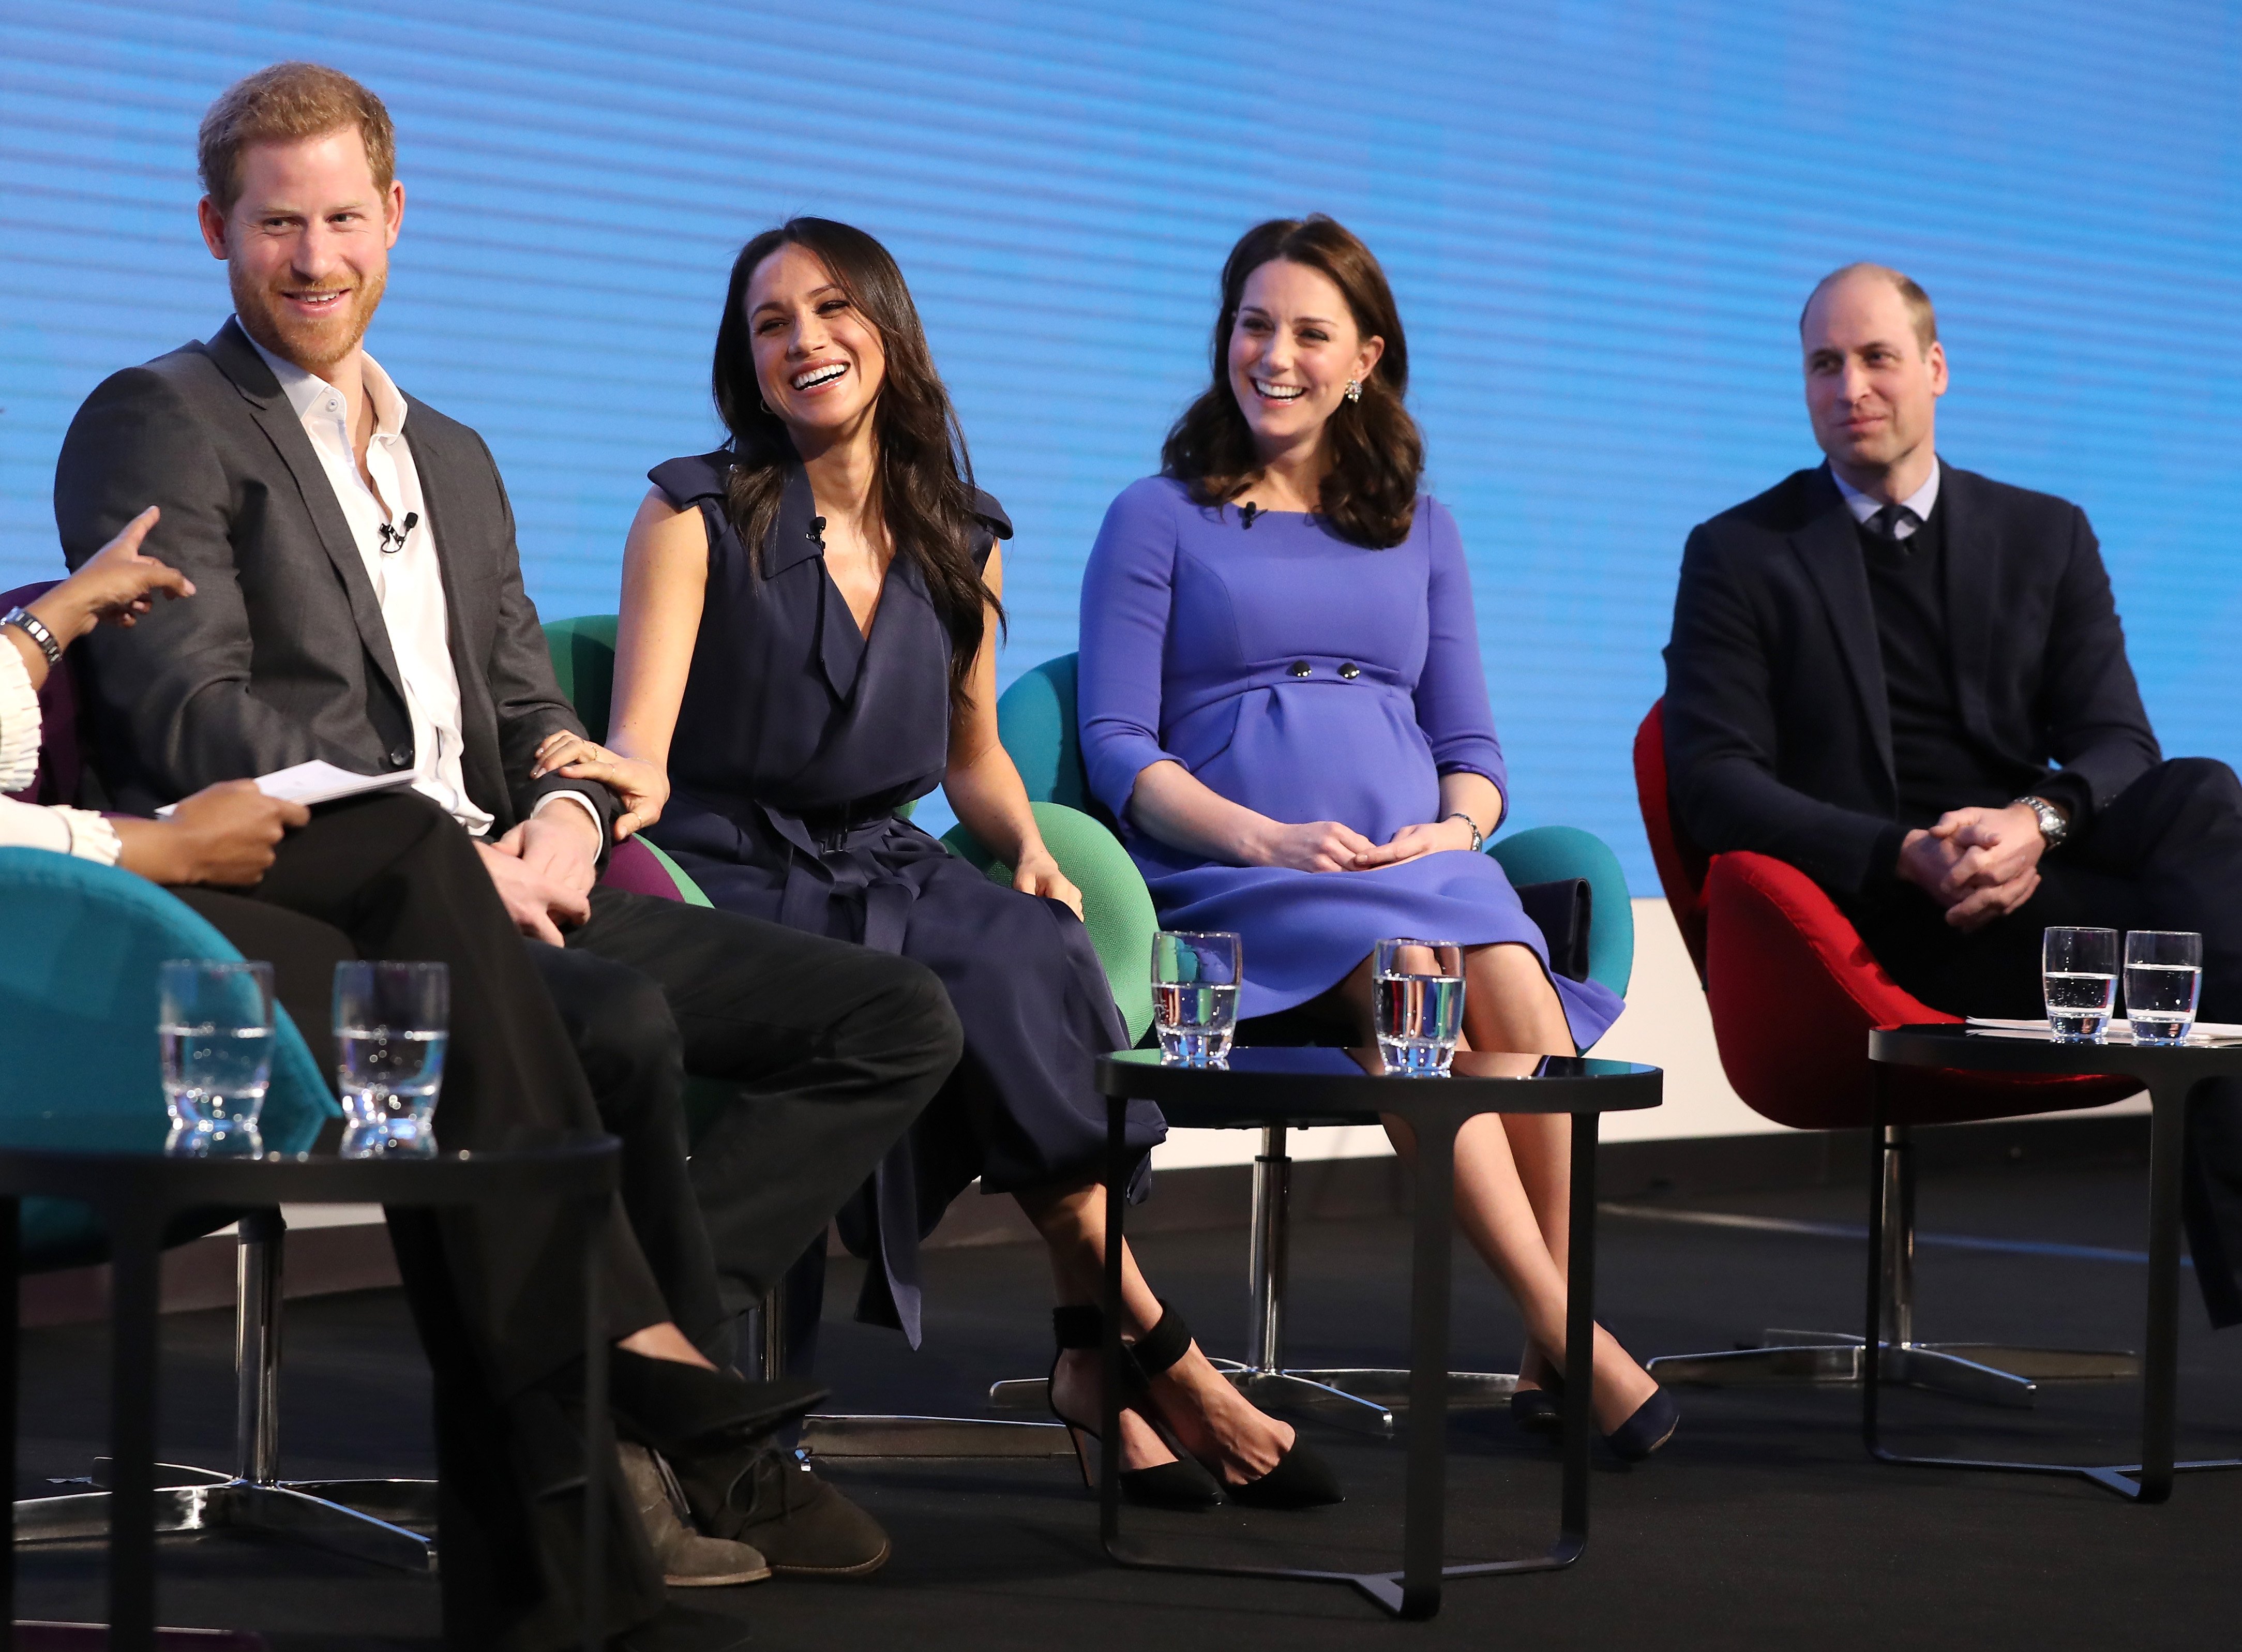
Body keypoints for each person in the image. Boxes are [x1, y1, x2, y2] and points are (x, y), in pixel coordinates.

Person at [49, 64, 965, 1649]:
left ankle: (625, 1356)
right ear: (216, 230)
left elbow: (535, 703)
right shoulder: (160, 418)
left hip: (500, 882)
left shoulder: (457, 458)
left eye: (344, 218)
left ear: (396, 219)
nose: (316, 256)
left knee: (894, 1019)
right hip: (287, 893)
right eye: (278, 224)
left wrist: (568, 814)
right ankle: (658, 1400)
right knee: (600, 1026)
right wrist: (439, 844)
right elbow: (188, 716)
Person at [556, 216, 1335, 1510]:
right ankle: (1157, 1355)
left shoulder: (959, 536)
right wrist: (601, 786)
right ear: (744, 362)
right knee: (969, 992)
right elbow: (641, 738)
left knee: (1033, 949)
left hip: (882, 855)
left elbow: (971, 756)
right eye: (769, 324)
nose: (803, 339)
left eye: (829, 309)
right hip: (732, 867)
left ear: (886, 326)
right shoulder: (691, 511)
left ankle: (1098, 1354)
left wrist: (1024, 843)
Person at [4, 512, 806, 1636]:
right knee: (447, 976)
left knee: (413, 883)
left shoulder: (452, 458)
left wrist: (53, 619)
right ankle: (607, 1415)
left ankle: (585, 1515)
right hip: (53, 943)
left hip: (74, 889)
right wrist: (150, 849)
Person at [1076, 214, 1677, 1458]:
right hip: (1238, 871)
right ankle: (1575, 1335)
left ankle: (1540, 1353)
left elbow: (1477, 755)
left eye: (1308, 332)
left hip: (1410, 863)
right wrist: (1260, 838)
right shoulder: (1158, 514)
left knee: (1512, 982)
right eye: (1253, 325)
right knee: (1422, 983)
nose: (1273, 355)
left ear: (1365, 358)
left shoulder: (1422, 527)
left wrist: (1447, 835)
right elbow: (1118, 750)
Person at [1663, 260, 2242, 1325]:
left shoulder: (2043, 532)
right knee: (2211, 945)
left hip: (2048, 878)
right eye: (1823, 364)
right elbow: (1711, 784)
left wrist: (2035, 823)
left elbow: (2119, 740)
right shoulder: (1740, 553)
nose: (1850, 387)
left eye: (1876, 357)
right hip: (1896, 921)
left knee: (2204, 793)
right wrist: (1899, 851)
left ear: (1932, 369)